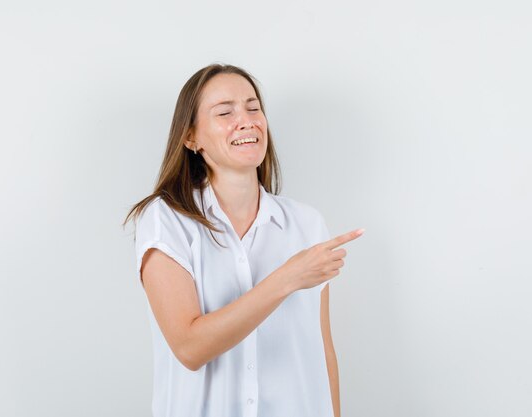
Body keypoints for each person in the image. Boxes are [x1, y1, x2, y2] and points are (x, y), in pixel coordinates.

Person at [123, 63, 364, 417]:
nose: (246, 120)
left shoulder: (306, 223)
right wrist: (287, 278)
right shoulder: (165, 220)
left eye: (253, 107)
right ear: (191, 137)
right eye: (225, 112)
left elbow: (321, 350)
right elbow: (190, 347)